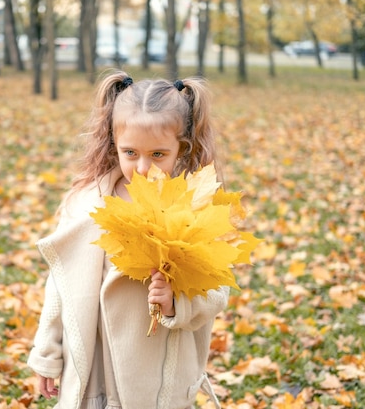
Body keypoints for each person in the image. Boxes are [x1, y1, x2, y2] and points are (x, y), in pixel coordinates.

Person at [27, 70, 230, 409]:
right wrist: (47, 354)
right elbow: (60, 286)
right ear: (113, 143)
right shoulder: (88, 203)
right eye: (130, 153)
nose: (143, 167)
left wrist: (175, 302)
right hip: (94, 364)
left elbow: (217, 290)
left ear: (182, 147)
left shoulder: (193, 206)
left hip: (152, 371)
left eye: (158, 155)